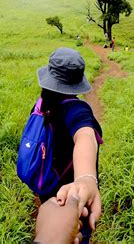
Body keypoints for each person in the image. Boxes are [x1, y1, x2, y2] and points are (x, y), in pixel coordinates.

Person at [34, 47, 103, 243]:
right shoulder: (78, 109)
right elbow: (85, 136)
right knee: (80, 234)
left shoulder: (41, 103)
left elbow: (84, 136)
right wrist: (86, 179)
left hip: (46, 181)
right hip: (72, 194)